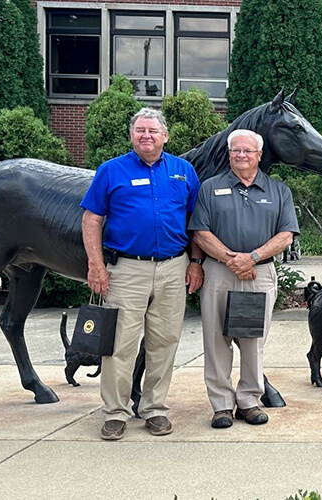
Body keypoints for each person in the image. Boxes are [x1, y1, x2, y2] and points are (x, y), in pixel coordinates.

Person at [80, 107, 203, 441]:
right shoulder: (111, 171)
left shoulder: (184, 171)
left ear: (165, 136)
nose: (146, 136)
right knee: (120, 344)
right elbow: (92, 219)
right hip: (126, 270)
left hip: (174, 267)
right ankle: (115, 413)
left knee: (165, 342)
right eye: (140, 130)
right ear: (131, 135)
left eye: (152, 130)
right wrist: (96, 265)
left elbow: (196, 224)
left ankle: (154, 409)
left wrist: (195, 262)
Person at [189, 129, 298, 428]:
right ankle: (221, 405)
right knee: (216, 340)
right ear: (229, 153)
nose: (241, 155)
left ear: (259, 155)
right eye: (236, 150)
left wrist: (252, 258)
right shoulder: (209, 188)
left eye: (248, 151)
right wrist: (232, 259)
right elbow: (200, 232)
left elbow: (286, 235)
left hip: (259, 273)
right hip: (219, 273)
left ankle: (249, 401)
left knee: (253, 340)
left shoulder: (278, 191)